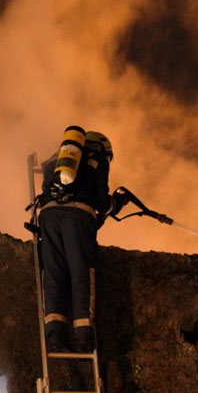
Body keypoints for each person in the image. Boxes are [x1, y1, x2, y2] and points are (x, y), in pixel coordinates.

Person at [37, 128, 118, 353]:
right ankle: (82, 336)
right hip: (78, 217)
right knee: (80, 271)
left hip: (49, 216)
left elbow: (46, 189)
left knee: (53, 272)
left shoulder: (57, 158)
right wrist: (114, 205)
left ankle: (55, 335)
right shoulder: (97, 159)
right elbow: (101, 201)